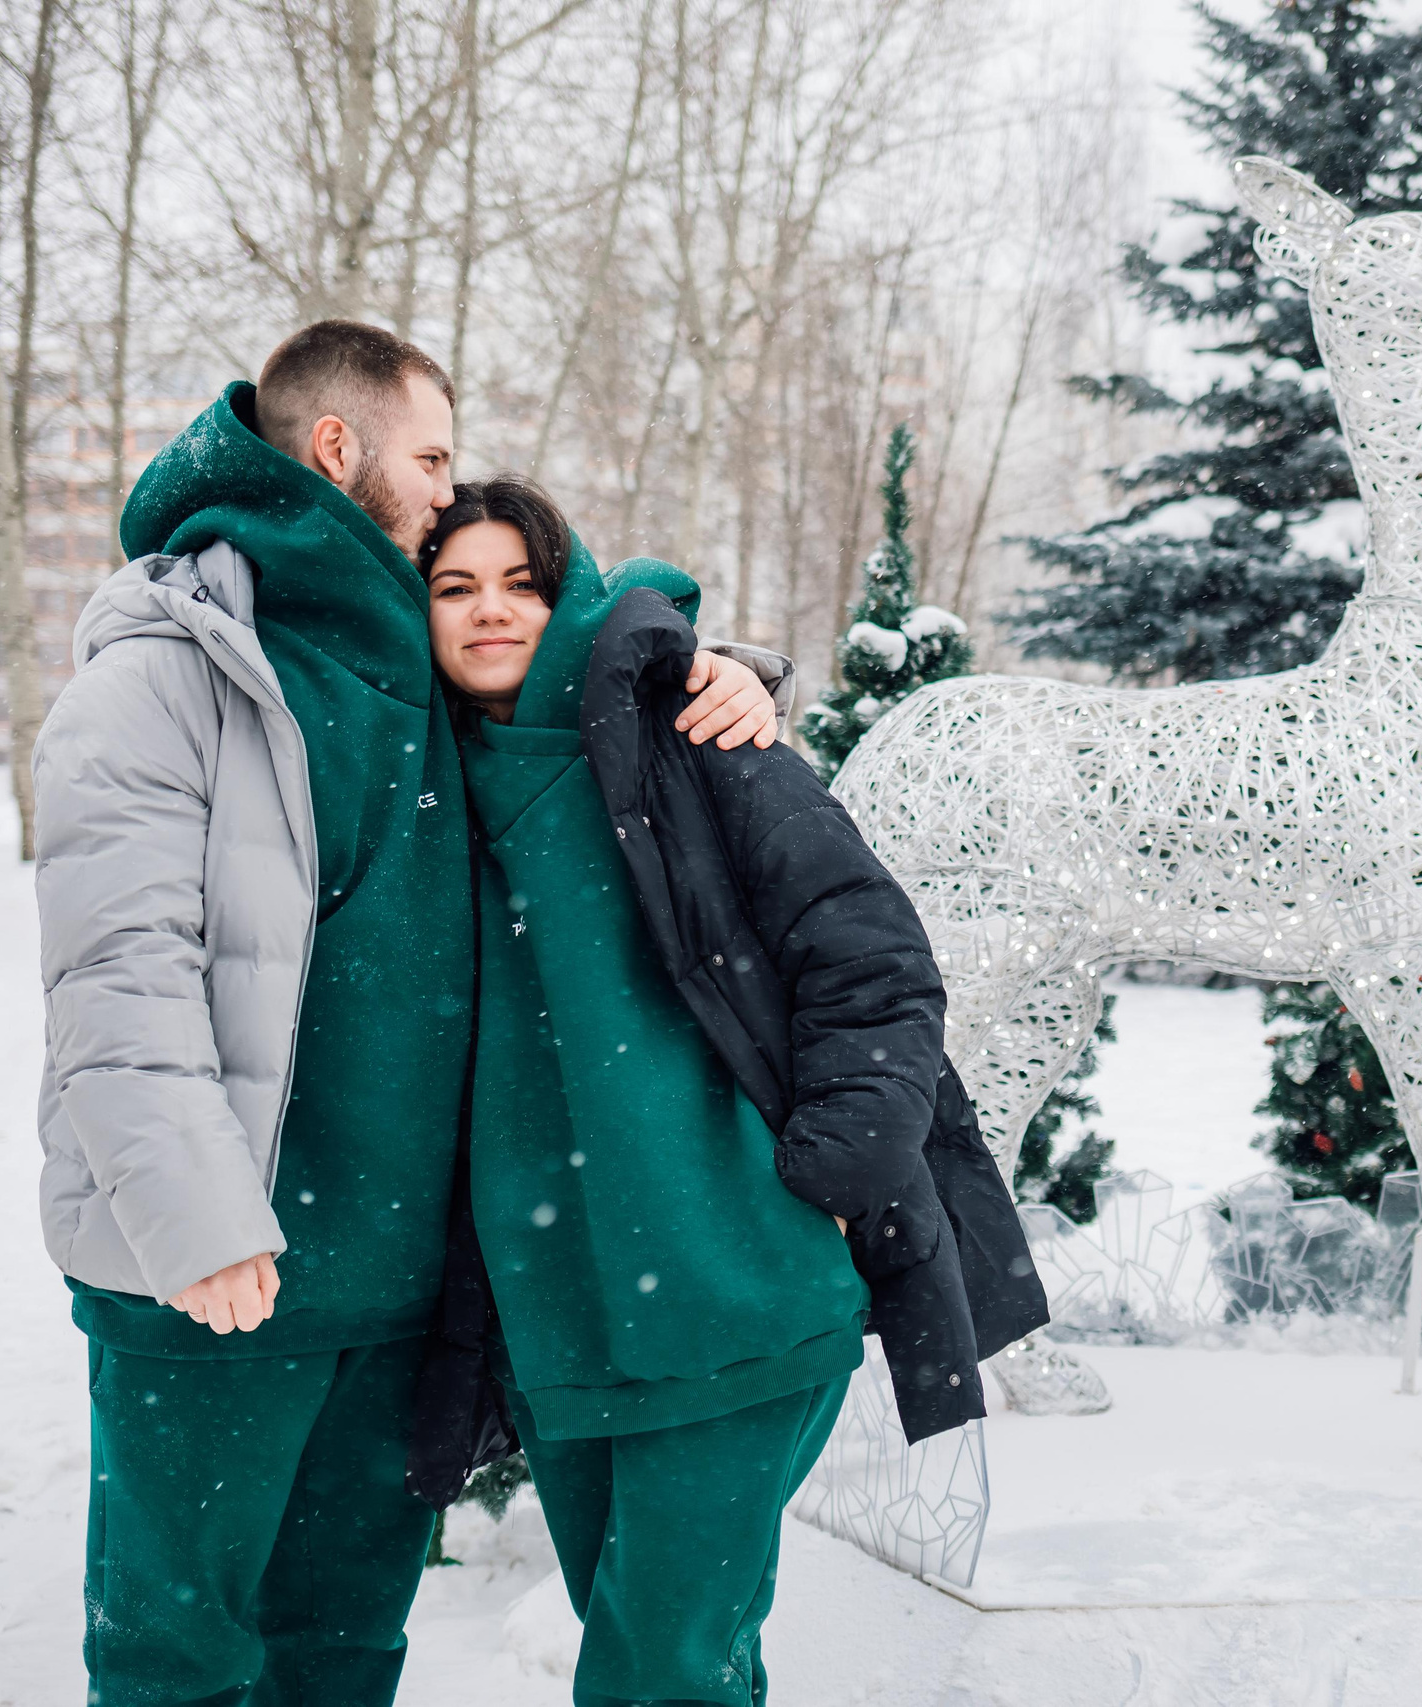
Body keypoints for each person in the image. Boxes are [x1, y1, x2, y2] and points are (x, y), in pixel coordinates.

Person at [30, 321, 786, 1707]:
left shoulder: (428, 652)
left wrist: (709, 665)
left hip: (403, 1294)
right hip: (212, 1279)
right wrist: (199, 1220)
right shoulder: (165, 672)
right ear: (338, 448)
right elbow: (119, 974)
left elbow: (579, 634)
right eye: (431, 457)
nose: (449, 486)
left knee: (344, 1647)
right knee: (174, 1656)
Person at [408, 475, 1049, 1706]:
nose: (491, 611)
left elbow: (871, 958)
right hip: (559, 1316)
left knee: (657, 1665)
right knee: (672, 1651)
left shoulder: (695, 738)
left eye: (523, 584)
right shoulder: (431, 787)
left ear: (569, 597)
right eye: (456, 587)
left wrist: (826, 1179)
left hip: (739, 1284)